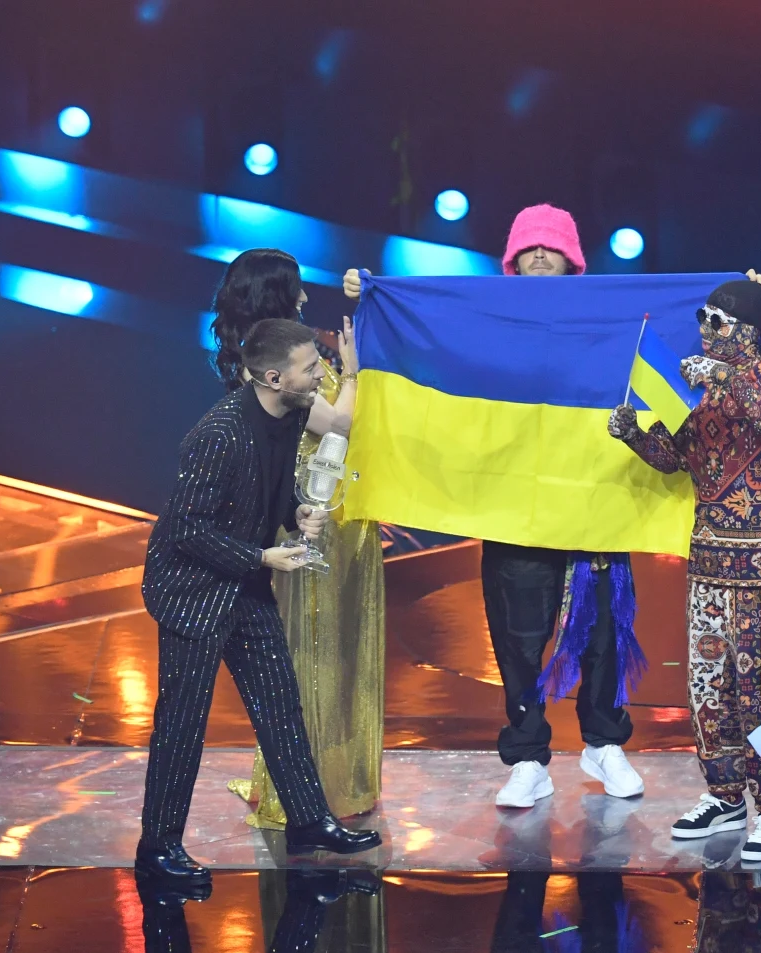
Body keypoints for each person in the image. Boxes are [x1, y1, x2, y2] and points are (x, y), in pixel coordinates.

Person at [343, 204, 646, 810]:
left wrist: (739, 294)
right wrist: (372, 293)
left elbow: (674, 324)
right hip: (511, 505)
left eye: (551, 246)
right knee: (519, 636)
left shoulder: (604, 315)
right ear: (511, 260)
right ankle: (528, 756)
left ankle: (604, 743)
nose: (540, 254)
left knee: (603, 633)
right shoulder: (485, 318)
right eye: (529, 247)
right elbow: (429, 339)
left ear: (573, 260)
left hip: (593, 500)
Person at [138, 316, 380, 887]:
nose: (320, 374)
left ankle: (308, 822)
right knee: (182, 724)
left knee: (279, 705)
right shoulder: (218, 434)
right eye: (310, 367)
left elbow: (267, 488)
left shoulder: (291, 412)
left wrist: (295, 511)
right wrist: (263, 557)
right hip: (193, 592)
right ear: (273, 378)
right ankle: (158, 848)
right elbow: (186, 530)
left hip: (244, 583)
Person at [608, 279, 761, 863]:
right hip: (709, 563)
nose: (705, 331)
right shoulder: (698, 390)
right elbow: (675, 459)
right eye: (703, 318)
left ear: (749, 331)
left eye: (717, 322)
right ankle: (725, 796)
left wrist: (724, 376)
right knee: (708, 687)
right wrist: (634, 435)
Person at [210, 249, 387, 825]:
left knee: (335, 642)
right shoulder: (273, 365)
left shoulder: (290, 350)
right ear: (276, 294)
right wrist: (353, 371)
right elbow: (337, 423)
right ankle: (308, 789)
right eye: (298, 288)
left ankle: (329, 776)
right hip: (315, 513)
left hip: (340, 505)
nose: (307, 296)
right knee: (314, 645)